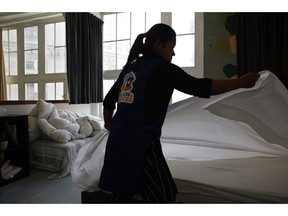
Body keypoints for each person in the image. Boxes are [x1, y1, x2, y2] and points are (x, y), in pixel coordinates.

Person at [98, 23, 260, 203]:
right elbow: (199, 87)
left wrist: (110, 125)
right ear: (159, 44)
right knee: (163, 196)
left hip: (118, 142)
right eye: (172, 47)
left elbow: (109, 100)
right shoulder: (162, 68)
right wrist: (240, 82)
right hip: (141, 143)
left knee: (123, 192)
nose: (173, 53)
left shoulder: (130, 68)